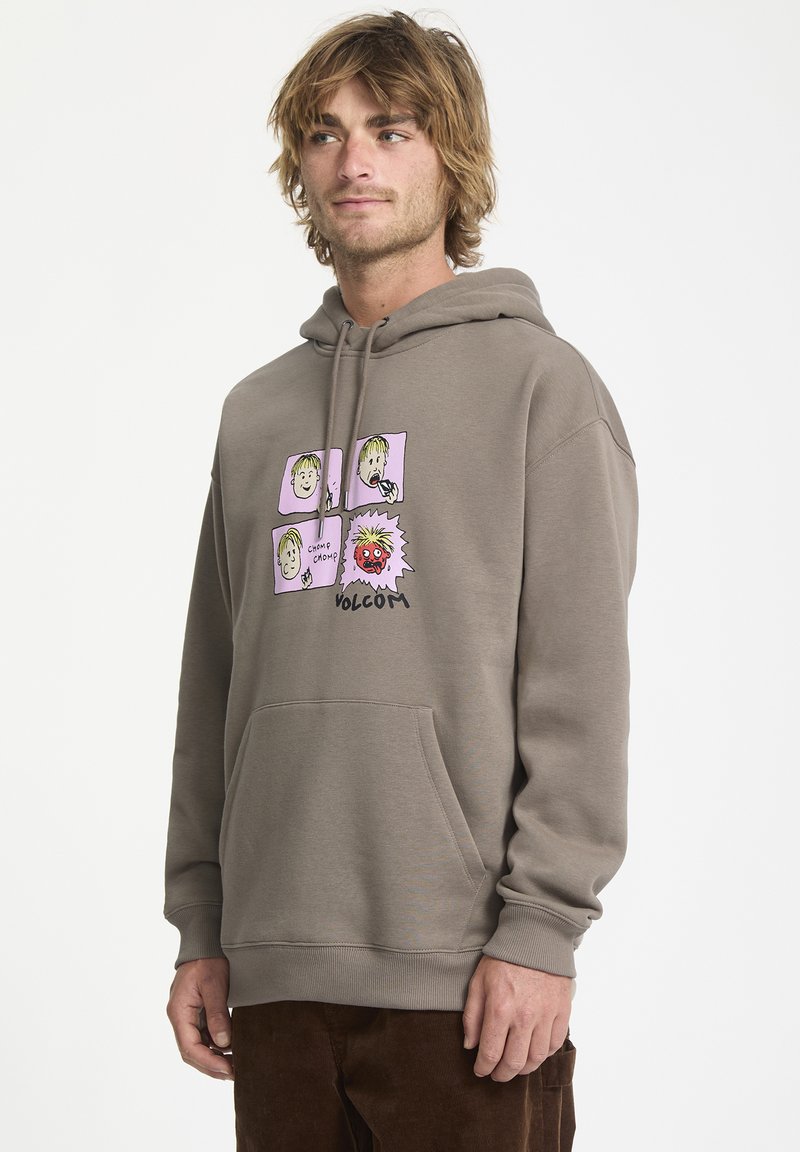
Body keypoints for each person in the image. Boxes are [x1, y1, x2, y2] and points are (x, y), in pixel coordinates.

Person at [163, 9, 638, 1150]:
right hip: (275, 970)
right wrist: (203, 923)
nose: (354, 161)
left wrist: (542, 930)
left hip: (466, 980)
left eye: (391, 129)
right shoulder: (256, 411)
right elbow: (213, 686)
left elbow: (578, 682)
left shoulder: (541, 389)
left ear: (450, 156)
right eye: (324, 133)